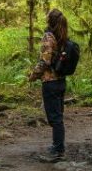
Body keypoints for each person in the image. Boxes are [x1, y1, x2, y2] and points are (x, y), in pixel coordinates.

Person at [28, 8, 69, 162]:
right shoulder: (63, 37)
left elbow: (45, 60)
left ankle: (58, 149)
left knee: (54, 118)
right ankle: (58, 147)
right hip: (61, 81)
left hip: (50, 82)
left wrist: (33, 75)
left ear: (50, 21)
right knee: (58, 116)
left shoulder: (48, 36)